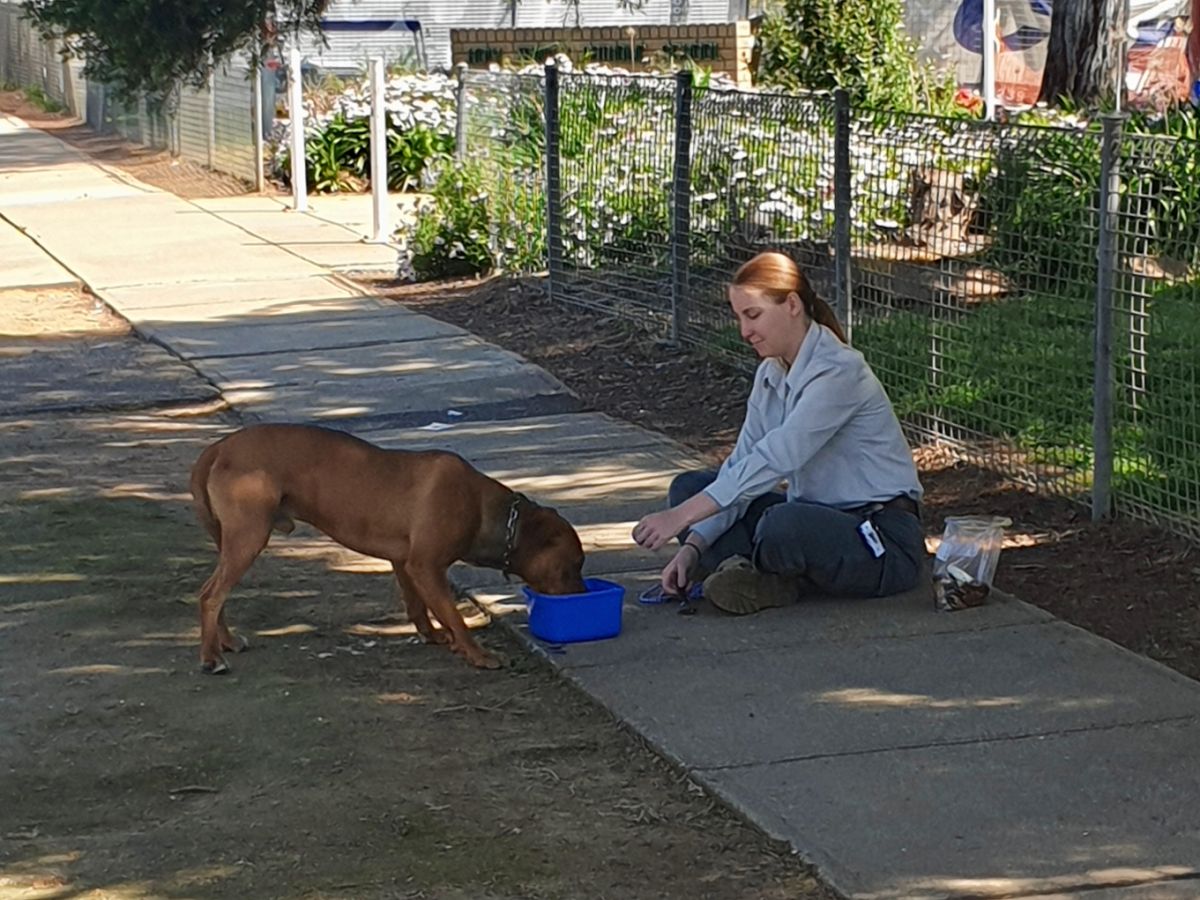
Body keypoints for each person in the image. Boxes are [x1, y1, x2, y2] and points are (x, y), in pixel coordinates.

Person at [631, 251, 925, 615]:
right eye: (738, 317)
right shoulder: (771, 373)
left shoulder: (840, 371)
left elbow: (776, 458)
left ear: (791, 304)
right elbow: (742, 464)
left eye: (753, 315)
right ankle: (753, 573)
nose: (743, 331)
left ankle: (768, 578)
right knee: (689, 488)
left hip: (881, 540)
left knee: (780, 524)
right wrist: (693, 547)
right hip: (814, 519)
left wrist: (680, 518)